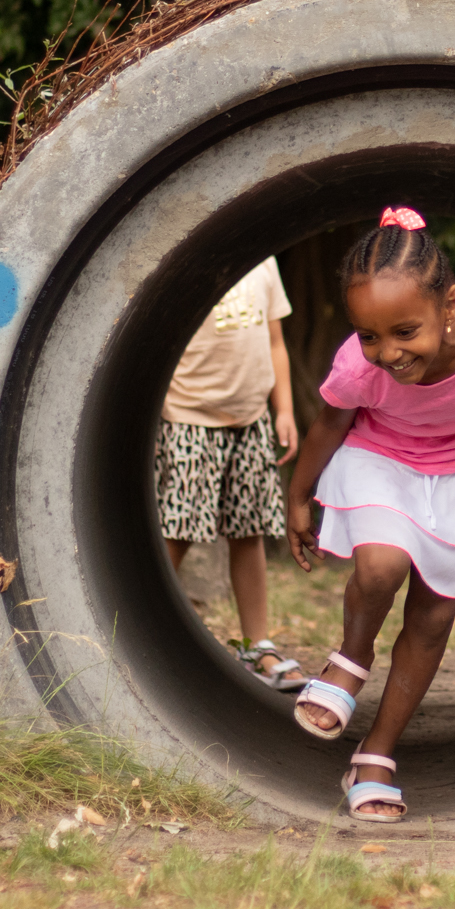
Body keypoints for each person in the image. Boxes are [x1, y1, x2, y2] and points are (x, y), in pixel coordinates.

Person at [284, 206, 455, 822]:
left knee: (433, 619)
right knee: (381, 567)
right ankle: (351, 659)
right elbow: (330, 423)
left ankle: (376, 754)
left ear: (451, 304)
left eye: (405, 332)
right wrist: (300, 495)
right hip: (383, 460)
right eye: (369, 335)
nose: (388, 353)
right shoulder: (358, 366)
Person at [154, 256, 304, 690]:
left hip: (250, 418)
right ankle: (147, 633)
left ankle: (257, 645)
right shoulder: (188, 263)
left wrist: (285, 410)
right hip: (189, 418)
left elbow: (276, 341)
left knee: (249, 530)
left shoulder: (264, 263)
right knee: (177, 531)